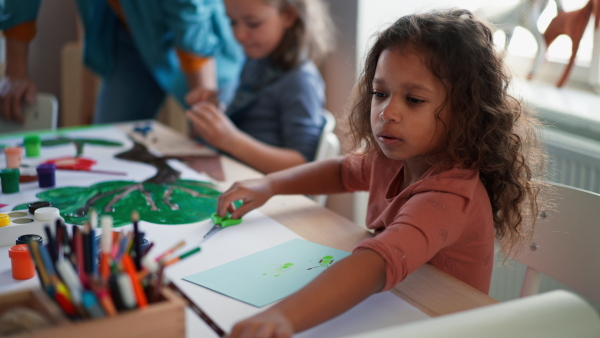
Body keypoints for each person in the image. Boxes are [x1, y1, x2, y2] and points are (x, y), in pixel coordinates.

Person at [216, 9, 548, 337]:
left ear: (465, 112)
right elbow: (342, 172)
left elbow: (378, 262)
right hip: (398, 308)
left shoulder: (450, 195)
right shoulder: (394, 158)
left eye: (414, 99)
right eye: (380, 93)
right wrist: (268, 185)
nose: (387, 112)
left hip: (444, 326)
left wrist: (283, 317)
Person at [0, 0, 243, 124]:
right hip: (125, 35)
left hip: (200, 41)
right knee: (109, 139)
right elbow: (20, 4)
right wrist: (15, 71)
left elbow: (189, 13)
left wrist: (203, 95)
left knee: (216, 134)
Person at [185, 0, 333, 174]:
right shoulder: (253, 62)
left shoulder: (300, 80)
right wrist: (207, 118)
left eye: (253, 23)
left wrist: (232, 141)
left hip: (270, 193)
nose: (240, 35)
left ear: (288, 16)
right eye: (232, 22)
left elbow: (304, 165)